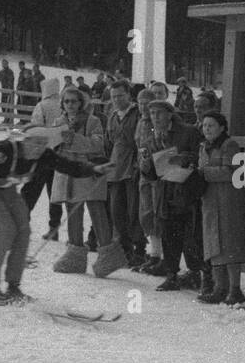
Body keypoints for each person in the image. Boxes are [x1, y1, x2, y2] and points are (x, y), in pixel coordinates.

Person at [0, 125, 98, 304]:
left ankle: (13, 287)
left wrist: (95, 169)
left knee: (23, 232)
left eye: (44, 143)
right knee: (4, 232)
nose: (39, 148)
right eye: (36, 143)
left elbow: (68, 166)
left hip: (8, 190)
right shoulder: (8, 148)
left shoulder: (44, 155)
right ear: (25, 141)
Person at [50, 88, 123, 277]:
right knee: (72, 210)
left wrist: (75, 140)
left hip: (89, 171)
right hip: (67, 172)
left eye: (74, 101)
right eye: (67, 101)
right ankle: (75, 255)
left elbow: (98, 144)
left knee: (96, 210)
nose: (70, 105)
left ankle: (108, 254)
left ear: (81, 103)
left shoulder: (93, 121)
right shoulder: (58, 122)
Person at [141, 100, 205, 291]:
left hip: (186, 191)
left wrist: (183, 158)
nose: (155, 117)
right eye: (151, 113)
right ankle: (171, 274)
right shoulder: (152, 138)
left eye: (159, 113)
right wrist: (145, 165)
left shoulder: (188, 132)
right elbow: (151, 173)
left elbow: (200, 156)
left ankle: (195, 273)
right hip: (165, 191)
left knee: (189, 235)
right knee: (168, 234)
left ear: (170, 114)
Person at [196, 112, 245, 305]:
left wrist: (204, 173)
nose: (207, 129)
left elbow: (232, 171)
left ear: (221, 127)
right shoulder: (204, 147)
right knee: (214, 243)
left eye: (211, 125)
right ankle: (220, 287)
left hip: (229, 201)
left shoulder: (229, 145)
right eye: (204, 126)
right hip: (211, 200)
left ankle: (234, 289)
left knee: (230, 244)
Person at [103, 80, 143, 266]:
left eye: (120, 95)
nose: (117, 100)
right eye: (113, 97)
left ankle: (140, 250)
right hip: (116, 169)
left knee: (134, 211)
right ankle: (125, 250)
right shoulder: (112, 116)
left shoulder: (138, 114)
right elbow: (109, 143)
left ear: (129, 95)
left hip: (133, 168)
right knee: (116, 211)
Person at [23, 77, 64, 240]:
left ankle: (22, 225)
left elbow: (37, 127)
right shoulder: (62, 106)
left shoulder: (42, 106)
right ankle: (54, 228)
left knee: (30, 191)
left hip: (42, 154)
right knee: (54, 194)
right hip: (59, 155)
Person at [132, 88, 165, 274]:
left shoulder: (155, 123)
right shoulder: (140, 122)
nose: (143, 106)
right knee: (145, 212)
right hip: (143, 170)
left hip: (156, 172)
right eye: (140, 102)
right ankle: (154, 254)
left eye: (147, 103)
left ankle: (160, 255)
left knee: (156, 212)